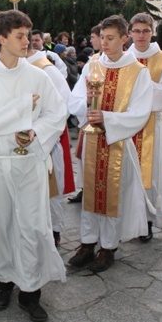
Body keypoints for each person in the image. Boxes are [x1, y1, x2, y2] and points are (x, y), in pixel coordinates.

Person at [0, 10, 67, 322]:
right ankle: (4, 282)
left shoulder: (38, 75)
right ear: (1, 38)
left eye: (28, 34)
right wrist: (21, 108)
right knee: (5, 225)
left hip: (30, 162)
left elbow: (57, 113)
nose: (27, 41)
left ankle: (31, 291)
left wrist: (35, 131)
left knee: (34, 226)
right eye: (20, 36)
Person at [67, 15, 153, 272]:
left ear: (124, 39)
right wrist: (87, 107)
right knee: (90, 194)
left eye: (110, 38)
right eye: (102, 37)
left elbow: (141, 112)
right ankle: (87, 243)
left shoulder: (138, 71)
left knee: (114, 196)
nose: (104, 43)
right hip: (92, 141)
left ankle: (108, 247)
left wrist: (107, 117)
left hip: (118, 142)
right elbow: (75, 99)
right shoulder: (93, 64)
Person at [127, 13, 162, 241]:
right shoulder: (122, 57)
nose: (141, 35)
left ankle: (147, 221)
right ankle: (127, 220)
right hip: (126, 124)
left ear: (152, 31)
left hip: (151, 123)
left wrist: (143, 87)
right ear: (129, 33)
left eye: (145, 31)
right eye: (137, 31)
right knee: (126, 172)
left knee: (151, 174)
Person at [26, 34, 72, 247]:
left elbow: (63, 105)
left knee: (50, 188)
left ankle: (53, 230)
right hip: (18, 144)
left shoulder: (46, 69)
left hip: (45, 141)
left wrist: (42, 128)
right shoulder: (8, 66)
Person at [68, 24, 102, 205]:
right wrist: (86, 102)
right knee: (84, 158)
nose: (92, 41)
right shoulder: (93, 62)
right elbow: (78, 94)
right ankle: (85, 188)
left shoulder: (128, 62)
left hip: (111, 123)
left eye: (95, 37)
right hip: (90, 119)